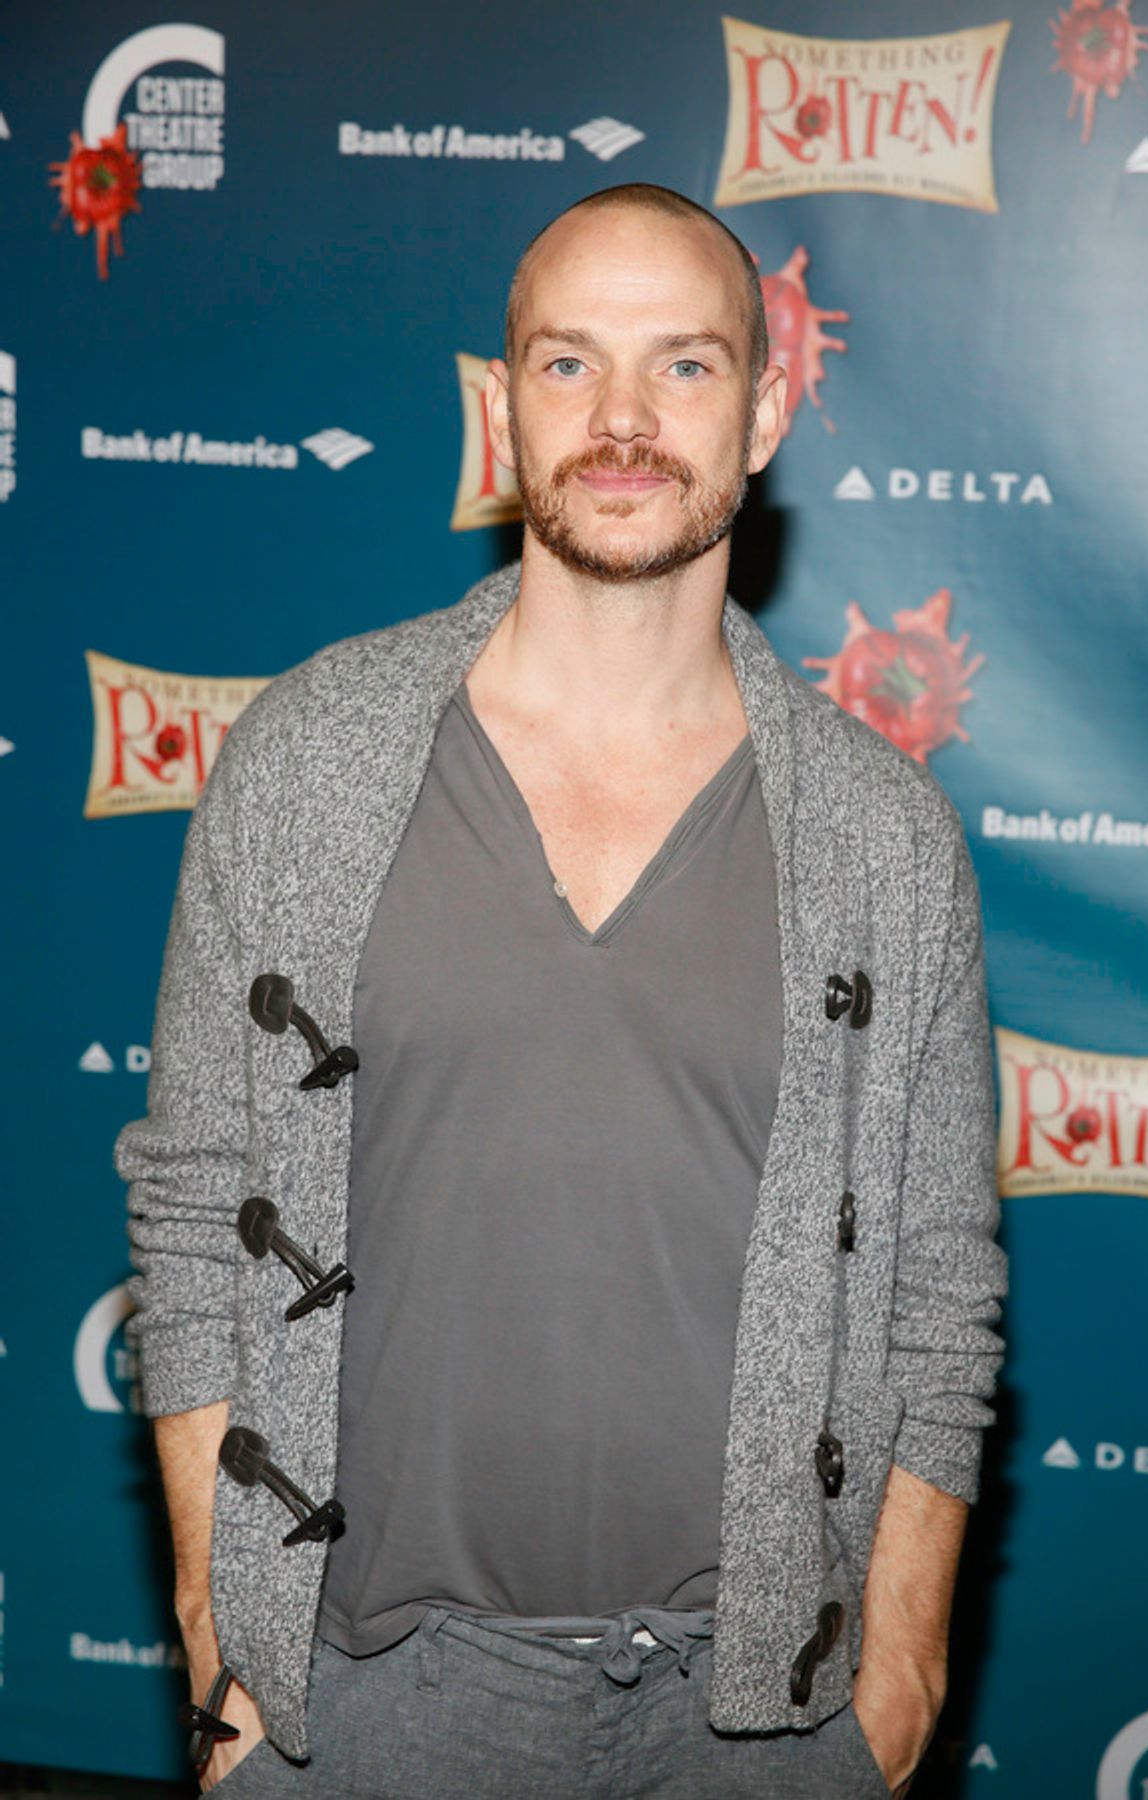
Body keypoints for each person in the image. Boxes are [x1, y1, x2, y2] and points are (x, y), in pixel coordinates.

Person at [117, 183, 1006, 1799]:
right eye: (567, 363)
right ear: (500, 406)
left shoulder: (888, 838)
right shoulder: (310, 760)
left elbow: (944, 1292)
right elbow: (196, 1210)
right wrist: (212, 1619)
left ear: (767, 411)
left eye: (684, 367)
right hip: (357, 1701)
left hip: (762, 1720)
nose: (620, 421)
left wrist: (901, 1666)